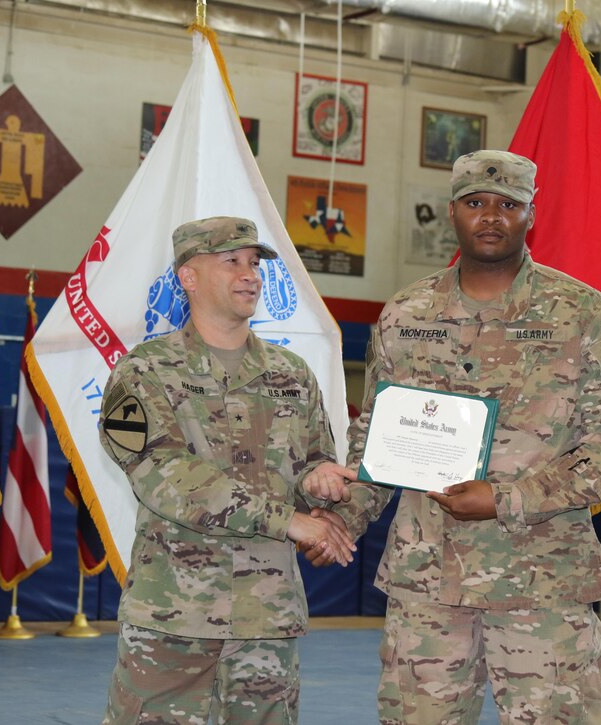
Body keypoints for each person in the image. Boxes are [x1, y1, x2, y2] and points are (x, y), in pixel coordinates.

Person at [308, 150, 601, 724]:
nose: (491, 216)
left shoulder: (583, 314)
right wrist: (343, 520)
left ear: (531, 214)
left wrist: (508, 499)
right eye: (475, 203)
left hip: (543, 583)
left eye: (508, 204)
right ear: (452, 213)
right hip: (427, 586)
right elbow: (377, 439)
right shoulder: (405, 314)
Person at [98, 216, 357, 725]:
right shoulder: (143, 372)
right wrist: (290, 521)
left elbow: (311, 460)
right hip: (174, 618)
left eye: (255, 262)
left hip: (267, 619)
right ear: (188, 277)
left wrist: (318, 482)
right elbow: (166, 476)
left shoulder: (291, 374)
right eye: (231, 261)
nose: (250, 274)